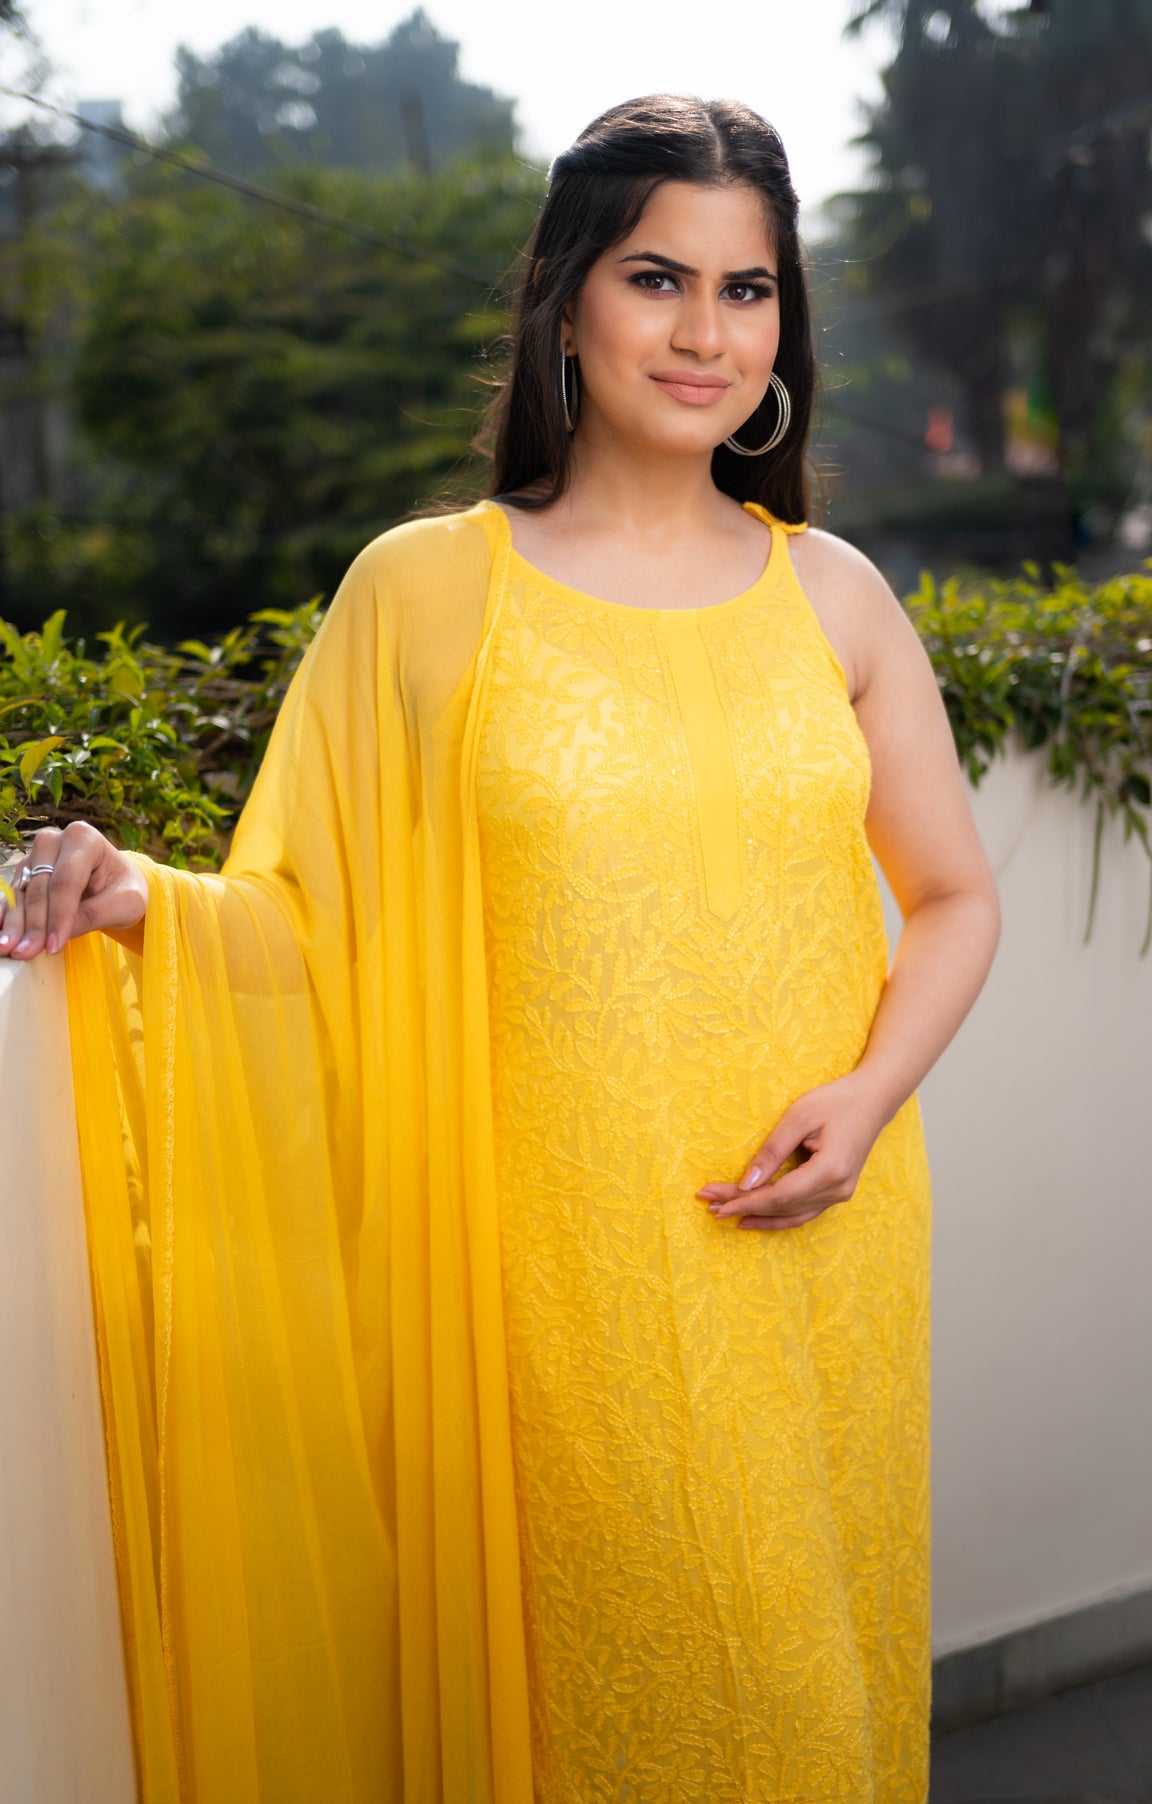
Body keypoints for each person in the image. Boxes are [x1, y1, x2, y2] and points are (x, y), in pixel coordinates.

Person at [0, 94, 1001, 1804]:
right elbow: (320, 924)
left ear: (785, 327)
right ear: (565, 298)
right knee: (623, 1705)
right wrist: (135, 891)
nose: (704, 333)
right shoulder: (423, 592)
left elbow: (957, 898)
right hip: (551, 1279)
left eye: (748, 290)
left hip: (821, 1236)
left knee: (813, 1702)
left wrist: (869, 1093)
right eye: (657, 278)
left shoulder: (831, 593)